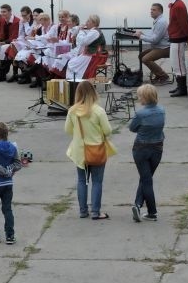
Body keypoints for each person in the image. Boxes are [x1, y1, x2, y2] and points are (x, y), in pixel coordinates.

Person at [64, 80, 117, 220]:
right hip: (96, 150)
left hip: (79, 151)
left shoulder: (73, 110)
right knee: (97, 182)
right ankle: (95, 211)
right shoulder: (98, 111)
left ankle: (83, 211)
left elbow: (68, 130)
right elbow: (108, 130)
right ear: (93, 93)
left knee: (82, 181)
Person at [129, 84, 165, 222]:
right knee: (146, 178)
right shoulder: (162, 110)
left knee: (146, 180)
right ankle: (138, 205)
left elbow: (132, 128)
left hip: (141, 148)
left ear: (144, 97)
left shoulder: (140, 113)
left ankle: (151, 212)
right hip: (157, 148)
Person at [163, 0, 188, 97]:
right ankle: (180, 87)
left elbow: (184, 24)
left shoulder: (178, 5)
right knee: (176, 63)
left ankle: (182, 89)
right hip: (175, 38)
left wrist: (187, 37)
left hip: (179, 38)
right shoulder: (176, 4)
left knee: (179, 63)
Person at [135, 3, 170, 85]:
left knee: (145, 59)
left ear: (160, 11)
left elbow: (155, 40)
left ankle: (163, 76)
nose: (151, 11)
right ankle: (158, 74)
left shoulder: (161, 22)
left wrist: (141, 36)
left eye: (154, 10)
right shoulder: (157, 21)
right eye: (151, 10)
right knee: (141, 56)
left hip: (164, 48)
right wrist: (142, 34)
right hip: (159, 47)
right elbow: (152, 35)